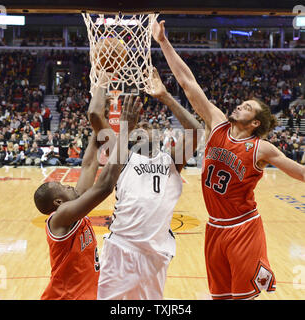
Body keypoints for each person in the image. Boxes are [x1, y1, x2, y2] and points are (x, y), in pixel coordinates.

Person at [152, 19, 305, 300]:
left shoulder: (261, 149)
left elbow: (299, 172)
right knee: (220, 297)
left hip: (243, 228)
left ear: (255, 123)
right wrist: (163, 42)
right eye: (242, 103)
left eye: (247, 107)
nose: (239, 105)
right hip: (214, 227)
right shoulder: (217, 123)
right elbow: (188, 84)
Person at [97, 69, 202, 300]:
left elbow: (195, 130)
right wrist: (125, 127)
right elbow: (96, 120)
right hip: (121, 247)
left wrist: (165, 96)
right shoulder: (122, 156)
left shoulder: (171, 160)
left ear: (159, 136)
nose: (143, 128)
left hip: (156, 253)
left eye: (149, 127)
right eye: (139, 127)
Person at [34, 89, 142, 300]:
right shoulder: (61, 217)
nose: (70, 186)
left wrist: (100, 117)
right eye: (64, 186)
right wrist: (126, 128)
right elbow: (104, 186)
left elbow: (90, 163)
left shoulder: (71, 206)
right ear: (58, 202)